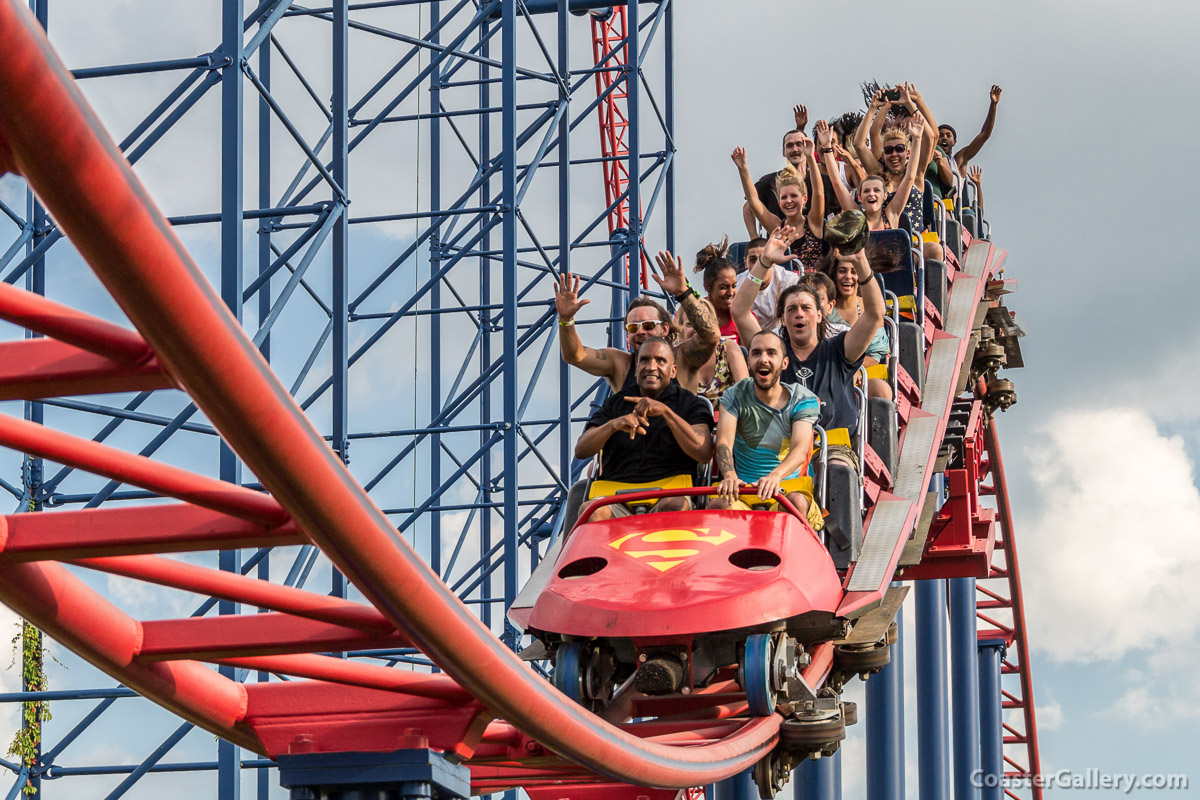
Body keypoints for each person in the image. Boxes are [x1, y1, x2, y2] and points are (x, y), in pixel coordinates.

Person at [731, 226, 884, 458]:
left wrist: (860, 261)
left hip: (831, 449)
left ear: (820, 315)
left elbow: (874, 314)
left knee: (836, 472)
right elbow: (740, 312)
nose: (799, 314)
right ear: (783, 318)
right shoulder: (772, 352)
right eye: (791, 309)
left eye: (806, 308)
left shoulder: (839, 349)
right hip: (782, 451)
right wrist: (763, 263)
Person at [574, 338, 715, 520]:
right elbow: (581, 450)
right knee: (592, 511)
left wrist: (666, 413)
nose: (651, 367)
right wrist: (613, 425)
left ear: (673, 371)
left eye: (660, 361)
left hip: (671, 492)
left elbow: (703, 452)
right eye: (645, 360)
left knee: (674, 505)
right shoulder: (616, 403)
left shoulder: (690, 403)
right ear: (636, 368)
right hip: (616, 493)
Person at [553, 251, 719, 393]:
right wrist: (566, 319)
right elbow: (576, 356)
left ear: (665, 329)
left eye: (648, 325)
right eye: (633, 328)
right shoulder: (620, 364)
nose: (640, 332)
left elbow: (711, 336)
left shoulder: (683, 358)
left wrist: (683, 293)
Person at [712, 330, 824, 530]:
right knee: (719, 505)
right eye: (756, 353)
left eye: (771, 353)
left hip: (787, 489)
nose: (763, 359)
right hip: (743, 490)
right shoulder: (735, 395)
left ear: (784, 363)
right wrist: (729, 475)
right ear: (748, 362)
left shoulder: (802, 399)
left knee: (796, 504)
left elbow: (799, 450)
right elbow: (723, 443)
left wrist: (775, 476)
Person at [819, 118, 922, 233]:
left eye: (876, 190)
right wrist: (827, 148)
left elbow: (909, 177)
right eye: (867, 191)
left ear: (885, 196)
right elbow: (837, 183)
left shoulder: (891, 214)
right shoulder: (858, 218)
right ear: (860, 197)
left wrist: (917, 139)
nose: (871, 194)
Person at [733, 143, 825, 270]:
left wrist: (810, 158)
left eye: (793, 196)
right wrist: (743, 169)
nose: (789, 201)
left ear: (804, 199)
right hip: (786, 286)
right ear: (779, 203)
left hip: (813, 285)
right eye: (784, 197)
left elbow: (819, 193)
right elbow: (754, 201)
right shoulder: (777, 227)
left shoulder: (814, 222)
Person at [673, 299, 748, 404]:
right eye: (690, 324)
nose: (697, 329)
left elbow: (746, 392)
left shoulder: (728, 348)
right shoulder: (675, 357)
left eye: (702, 325)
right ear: (681, 328)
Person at [741, 128, 811, 236]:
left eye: (799, 144)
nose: (794, 149)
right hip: (779, 241)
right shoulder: (770, 181)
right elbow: (749, 206)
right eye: (789, 146)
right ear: (783, 152)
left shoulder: (818, 180)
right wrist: (755, 239)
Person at [735, 236, 800, 328]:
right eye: (753, 260)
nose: (759, 265)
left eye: (763, 259)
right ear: (746, 262)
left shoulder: (789, 281)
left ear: (773, 261)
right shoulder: (736, 285)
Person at [939, 85, 1002, 174]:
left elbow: (985, 134)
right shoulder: (926, 159)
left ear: (954, 142)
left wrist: (993, 105)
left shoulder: (957, 161)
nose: (944, 138)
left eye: (948, 136)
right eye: (940, 136)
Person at [693, 239, 741, 341]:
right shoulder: (693, 313)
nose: (730, 293)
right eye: (723, 287)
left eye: (734, 286)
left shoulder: (743, 316)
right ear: (707, 286)